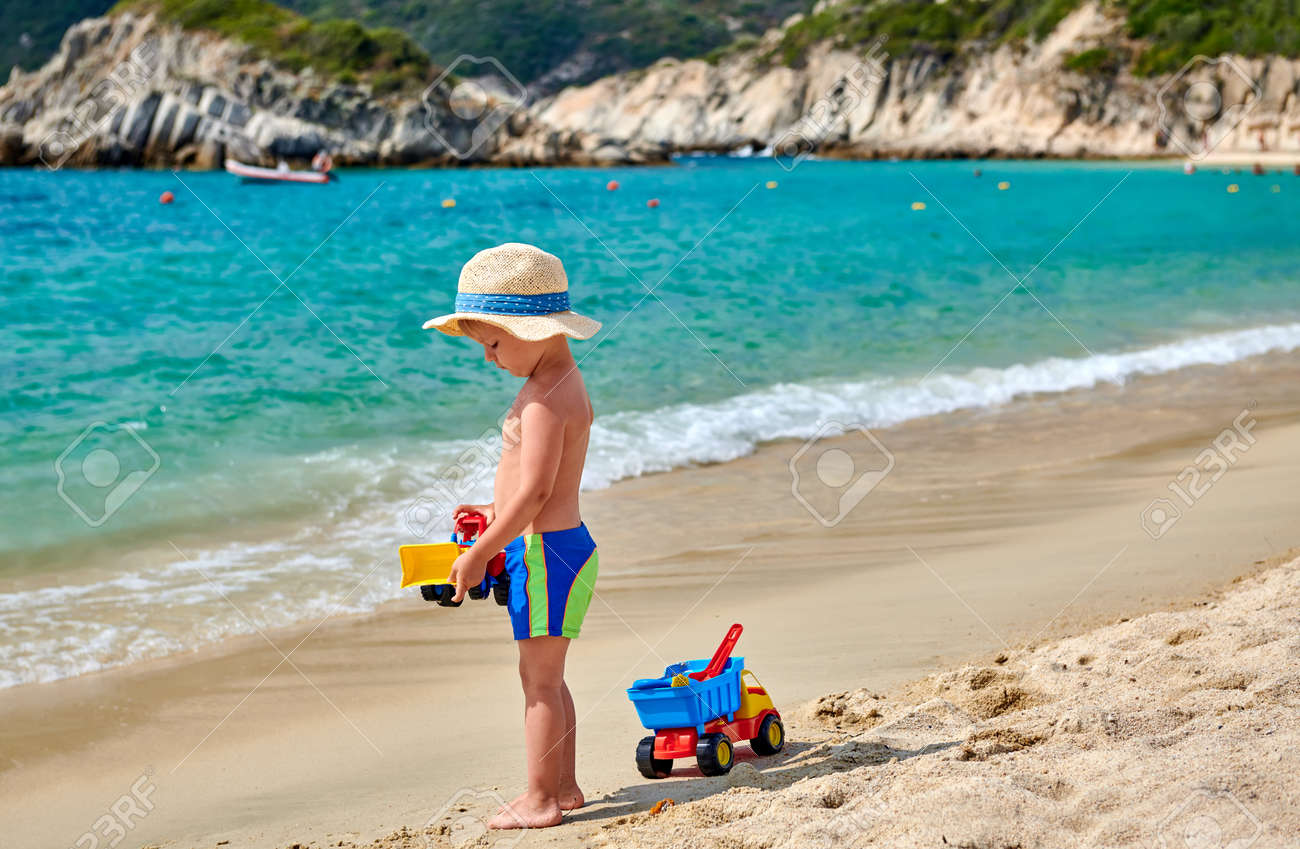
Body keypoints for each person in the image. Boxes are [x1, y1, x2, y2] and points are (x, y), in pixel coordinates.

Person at [422, 242, 603, 829]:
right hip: (552, 547)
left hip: (545, 553)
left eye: (494, 344)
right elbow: (524, 489)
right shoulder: (556, 382)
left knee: (539, 683)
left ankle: (541, 798)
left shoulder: (547, 398)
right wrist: (489, 510)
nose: (489, 359)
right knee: (546, 678)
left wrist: (480, 551)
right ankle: (566, 787)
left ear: (534, 329)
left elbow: (535, 495)